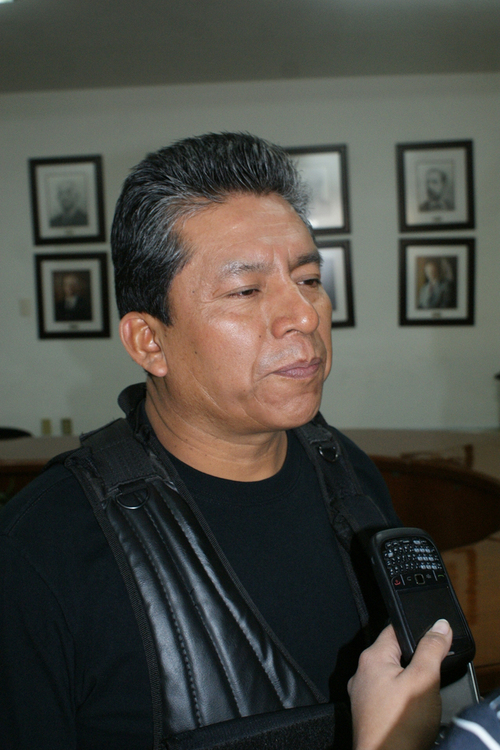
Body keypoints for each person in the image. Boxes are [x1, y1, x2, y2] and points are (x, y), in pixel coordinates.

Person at [1, 133, 454, 750]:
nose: (304, 315)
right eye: (246, 290)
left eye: (309, 278)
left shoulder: (347, 474)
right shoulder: (40, 550)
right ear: (149, 342)